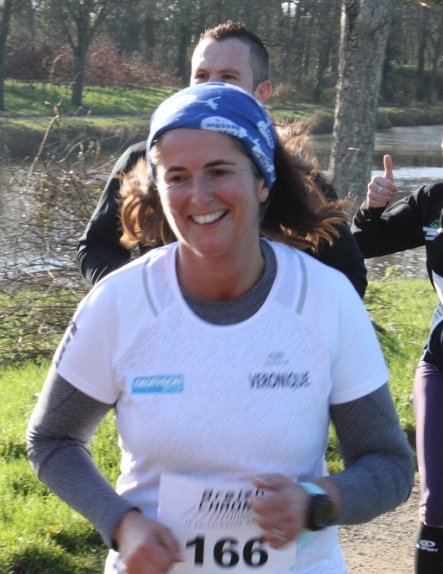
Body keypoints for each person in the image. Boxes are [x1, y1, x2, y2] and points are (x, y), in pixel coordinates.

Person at [28, 83, 413, 574]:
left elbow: (389, 465)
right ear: (159, 190)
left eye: (219, 171)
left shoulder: (326, 299)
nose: (200, 196)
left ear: (262, 181)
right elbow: (52, 439)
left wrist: (316, 501)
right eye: (177, 177)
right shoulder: (119, 301)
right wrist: (122, 523)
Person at [77, 21, 367, 297]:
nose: (210, 87)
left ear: (262, 92)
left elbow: (348, 273)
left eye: (228, 77)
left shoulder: (296, 172)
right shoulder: (143, 161)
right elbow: (96, 247)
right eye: (201, 76)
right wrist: (145, 295)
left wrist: (274, 310)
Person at [351, 154, 443, 574]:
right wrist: (373, 208)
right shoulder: (433, 200)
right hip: (440, 364)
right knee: (436, 504)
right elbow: (365, 243)